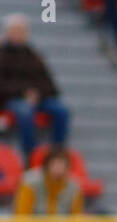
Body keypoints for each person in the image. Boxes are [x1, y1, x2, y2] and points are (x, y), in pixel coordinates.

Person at [0, 14, 71, 157]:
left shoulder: (34, 55)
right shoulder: (2, 55)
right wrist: (23, 93)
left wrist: (36, 94)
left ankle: (57, 154)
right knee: (25, 111)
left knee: (61, 110)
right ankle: (31, 155)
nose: (19, 34)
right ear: (7, 32)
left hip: (38, 97)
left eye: (22, 31)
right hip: (11, 99)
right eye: (15, 30)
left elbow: (49, 84)